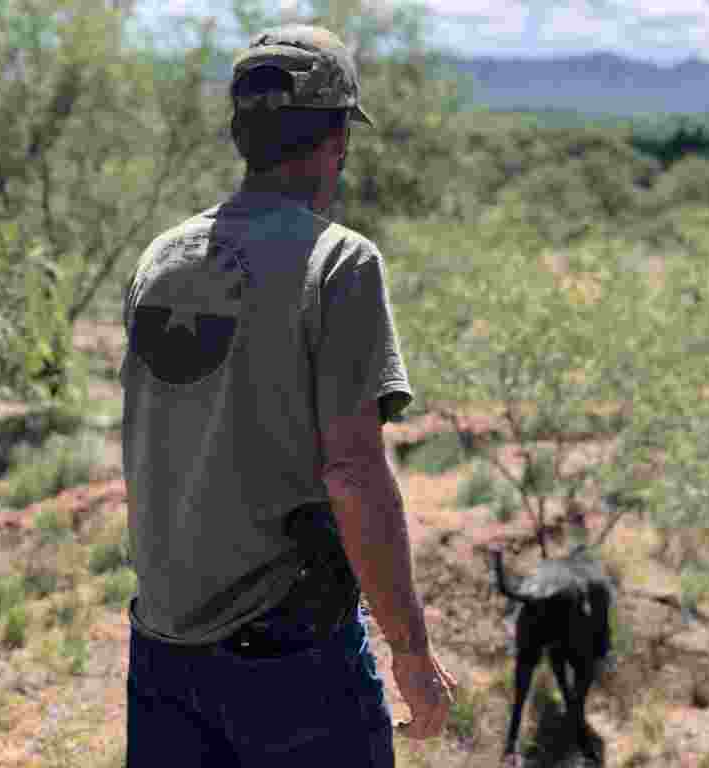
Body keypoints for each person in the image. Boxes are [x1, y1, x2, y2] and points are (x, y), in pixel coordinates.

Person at [119, 23, 457, 767]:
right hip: (287, 651)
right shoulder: (339, 263)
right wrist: (410, 653)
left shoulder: (159, 260)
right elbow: (354, 472)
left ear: (242, 132)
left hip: (161, 643)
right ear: (337, 137)